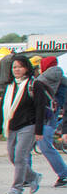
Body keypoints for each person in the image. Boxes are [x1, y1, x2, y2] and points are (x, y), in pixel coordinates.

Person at [0, 54, 50, 194]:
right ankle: (32, 177)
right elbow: (3, 107)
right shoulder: (9, 86)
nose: (16, 70)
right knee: (12, 156)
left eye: (20, 67)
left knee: (20, 156)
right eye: (14, 67)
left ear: (26, 68)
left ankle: (17, 187)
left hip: (29, 125)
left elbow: (40, 108)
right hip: (12, 125)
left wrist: (39, 130)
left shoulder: (35, 84)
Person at [32, 57, 67, 187]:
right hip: (45, 115)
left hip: (47, 115)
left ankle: (64, 174)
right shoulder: (60, 80)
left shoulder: (44, 79)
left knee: (44, 145)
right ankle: (27, 175)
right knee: (38, 145)